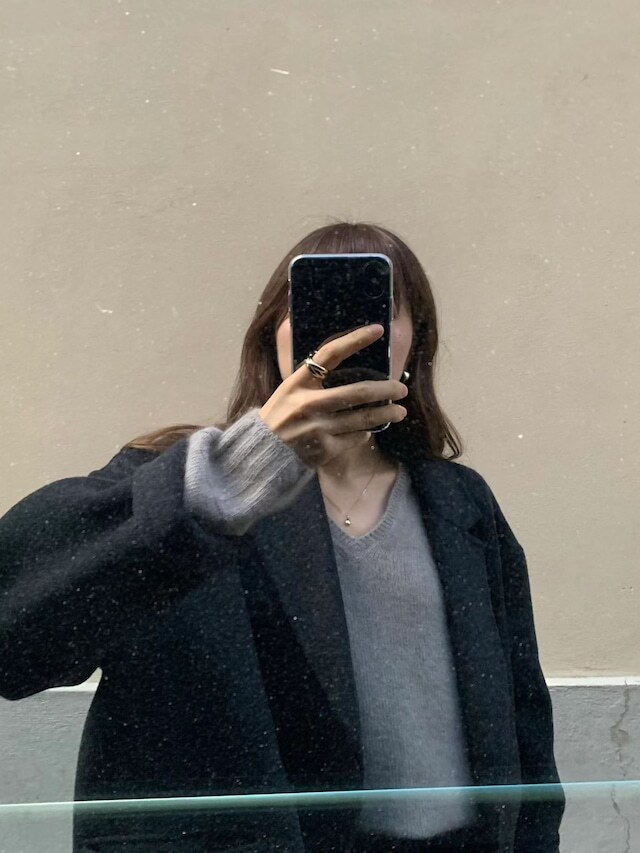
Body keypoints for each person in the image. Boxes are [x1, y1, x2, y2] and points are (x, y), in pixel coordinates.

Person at [0, 222, 564, 852]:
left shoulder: (460, 505)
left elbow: (524, 722)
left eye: (380, 310)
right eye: (312, 305)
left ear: (416, 342)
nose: (345, 332)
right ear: (271, 336)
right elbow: (16, 636)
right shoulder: (187, 486)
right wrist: (242, 469)